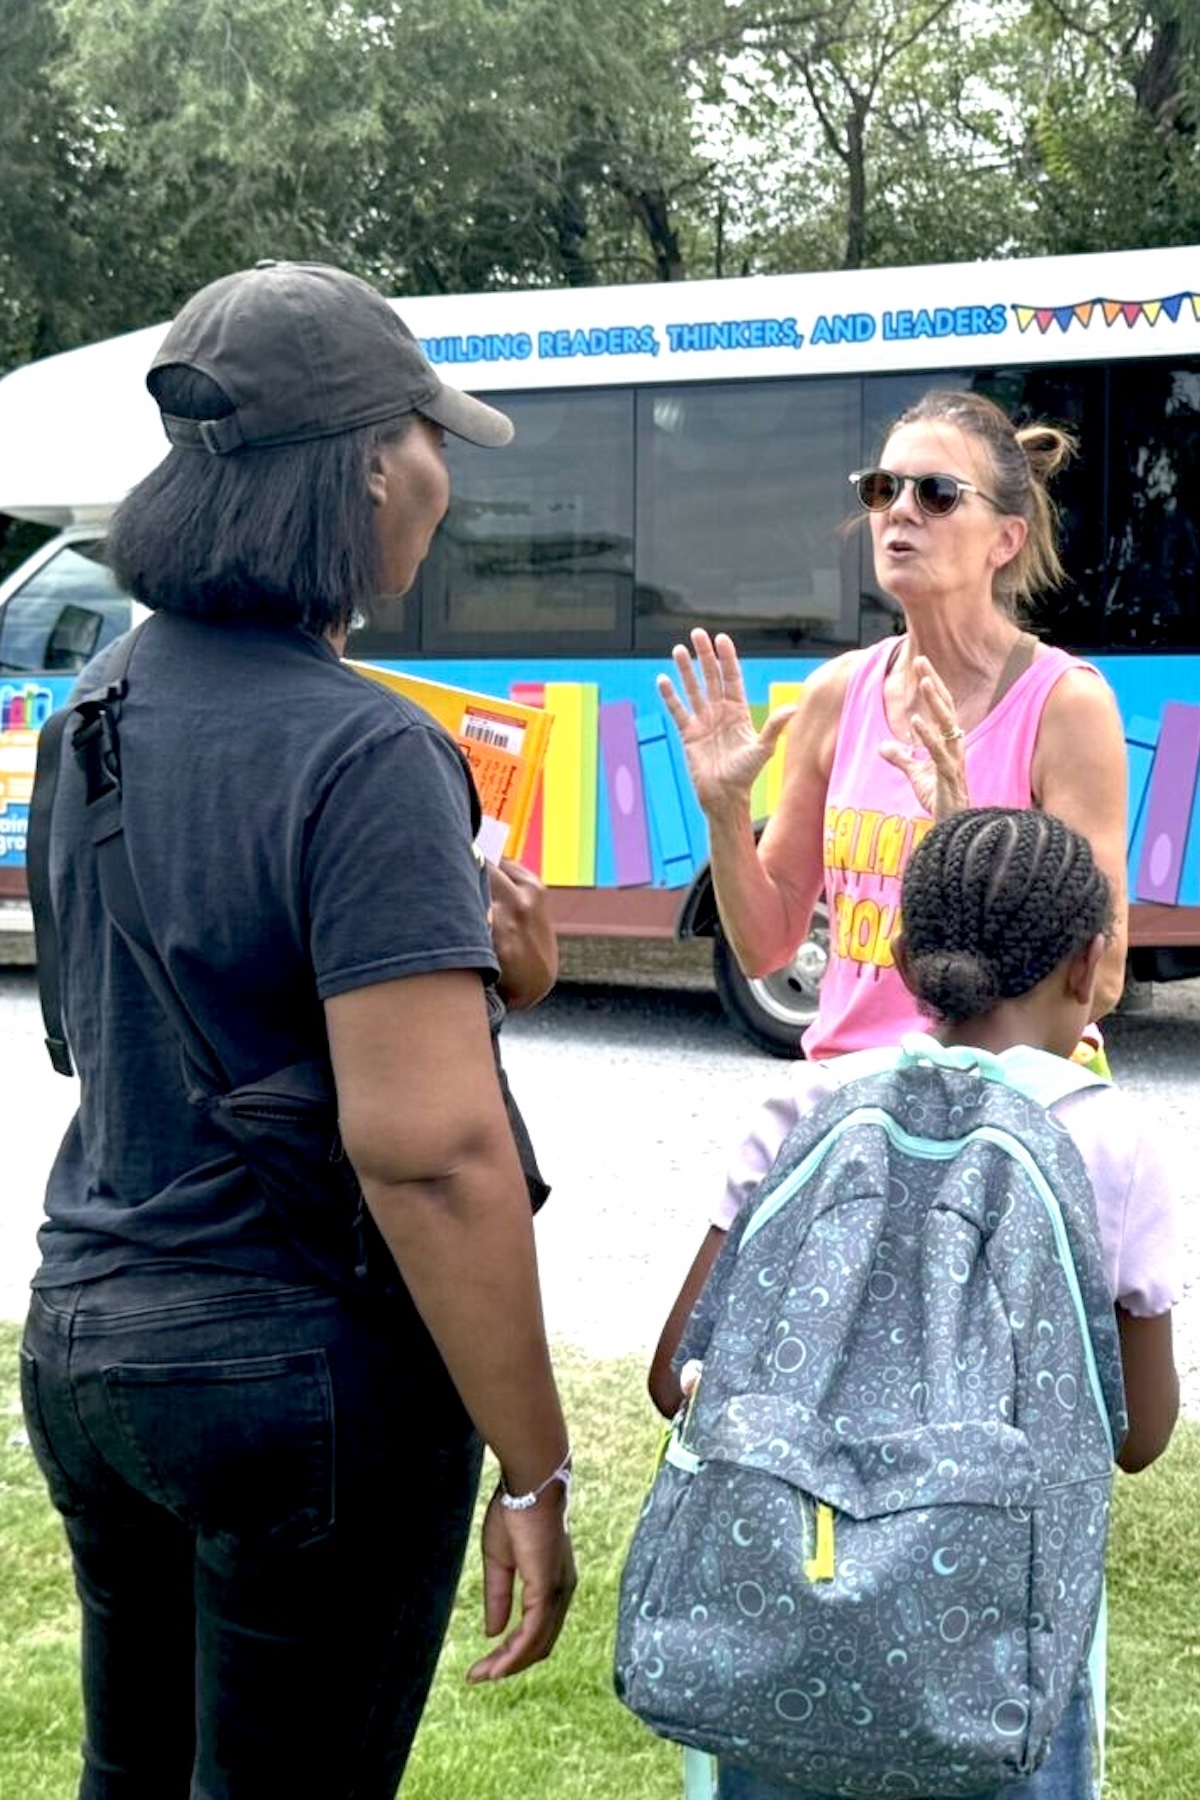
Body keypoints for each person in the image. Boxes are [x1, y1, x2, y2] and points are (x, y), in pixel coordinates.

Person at [19, 260, 575, 1799]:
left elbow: (106, 1033)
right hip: (298, 1384)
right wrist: (536, 1466)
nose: (445, 476)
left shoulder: (91, 718)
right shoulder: (370, 751)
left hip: (91, 1351)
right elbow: (432, 1155)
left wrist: (497, 982)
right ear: (367, 468)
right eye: (430, 436)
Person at [647, 806, 1180, 1800]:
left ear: (900, 957)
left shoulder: (807, 1105)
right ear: (1087, 965)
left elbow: (676, 1371)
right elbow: (1139, 1434)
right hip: (998, 1665)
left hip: (781, 1646)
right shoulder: (1111, 1144)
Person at [658, 389, 1130, 1061]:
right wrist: (726, 810)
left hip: (992, 1091)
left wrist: (964, 848)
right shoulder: (834, 694)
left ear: (1006, 539)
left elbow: (1100, 978)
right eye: (884, 489)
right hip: (851, 1091)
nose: (900, 510)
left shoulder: (1064, 705)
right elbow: (766, 945)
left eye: (936, 493)